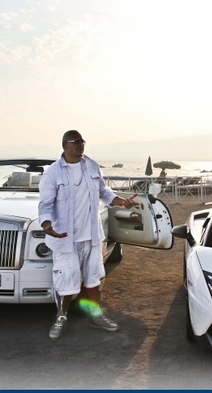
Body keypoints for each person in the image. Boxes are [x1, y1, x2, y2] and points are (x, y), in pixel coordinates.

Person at [38, 130, 138, 339]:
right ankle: (61, 317)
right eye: (76, 142)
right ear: (65, 145)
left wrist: (121, 201)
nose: (81, 145)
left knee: (94, 279)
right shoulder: (53, 172)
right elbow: (45, 204)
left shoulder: (91, 166)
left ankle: (96, 316)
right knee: (68, 280)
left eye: (82, 142)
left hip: (91, 236)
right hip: (66, 238)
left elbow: (103, 192)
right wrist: (47, 225)